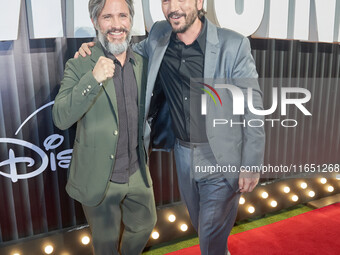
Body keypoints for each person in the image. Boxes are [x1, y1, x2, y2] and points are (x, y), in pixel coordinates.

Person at [76, 0, 265, 254]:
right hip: (184, 154)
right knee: (202, 225)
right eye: (166, 0)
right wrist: (94, 50)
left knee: (209, 231)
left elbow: (252, 106)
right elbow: (124, 53)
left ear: (199, 2)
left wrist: (251, 164)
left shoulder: (233, 45)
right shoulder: (159, 35)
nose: (173, 7)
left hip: (223, 156)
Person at [52, 0, 156, 254]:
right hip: (101, 177)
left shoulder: (142, 63)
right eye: (107, 17)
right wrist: (93, 79)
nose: (116, 24)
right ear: (95, 21)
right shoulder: (79, 65)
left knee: (146, 224)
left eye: (122, 16)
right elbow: (60, 117)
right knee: (106, 244)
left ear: (131, 21)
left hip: (137, 172)